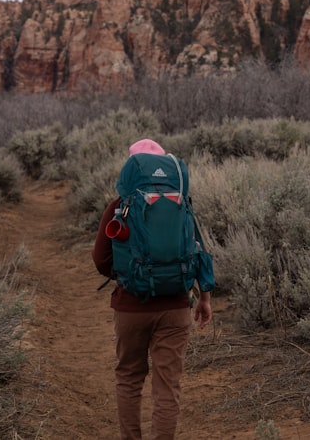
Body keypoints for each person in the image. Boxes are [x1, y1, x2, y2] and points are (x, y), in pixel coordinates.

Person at [92, 138, 213, 440]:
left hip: (131, 306)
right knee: (167, 386)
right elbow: (199, 252)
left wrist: (127, 275)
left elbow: (100, 259)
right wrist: (204, 298)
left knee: (130, 379)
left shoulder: (120, 206)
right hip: (175, 307)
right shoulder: (182, 203)